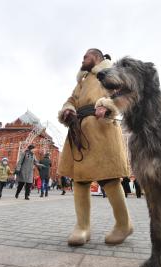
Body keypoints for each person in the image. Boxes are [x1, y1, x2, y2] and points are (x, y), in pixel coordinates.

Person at [58, 48, 132, 246]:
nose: (82, 60)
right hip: (79, 131)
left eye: (86, 56)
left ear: (97, 57)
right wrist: (68, 109)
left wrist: (107, 105)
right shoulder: (81, 82)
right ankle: (83, 227)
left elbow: (124, 95)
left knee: (110, 180)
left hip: (102, 128)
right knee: (80, 180)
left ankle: (124, 224)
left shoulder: (110, 72)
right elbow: (71, 100)